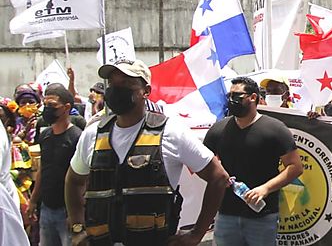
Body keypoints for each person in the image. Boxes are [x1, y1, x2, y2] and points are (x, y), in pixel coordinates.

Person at [65, 59, 229, 246]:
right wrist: (77, 228)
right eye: (112, 84)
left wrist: (196, 234)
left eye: (126, 83)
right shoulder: (92, 134)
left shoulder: (171, 131)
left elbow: (218, 177)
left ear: (146, 91)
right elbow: (73, 180)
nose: (116, 89)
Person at [204, 77, 303, 246]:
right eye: (229, 96)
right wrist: (217, 175)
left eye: (237, 96)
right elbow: (203, 163)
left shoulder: (275, 129)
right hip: (226, 214)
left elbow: (295, 167)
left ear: (253, 97)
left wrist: (265, 189)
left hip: (262, 216)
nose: (231, 101)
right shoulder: (218, 129)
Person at [27, 83, 82, 246]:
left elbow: (83, 179)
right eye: (45, 105)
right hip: (46, 208)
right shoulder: (45, 135)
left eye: (52, 105)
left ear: (66, 107)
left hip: (67, 211)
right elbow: (43, 169)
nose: (47, 109)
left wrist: (76, 213)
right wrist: (33, 201)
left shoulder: (76, 137)